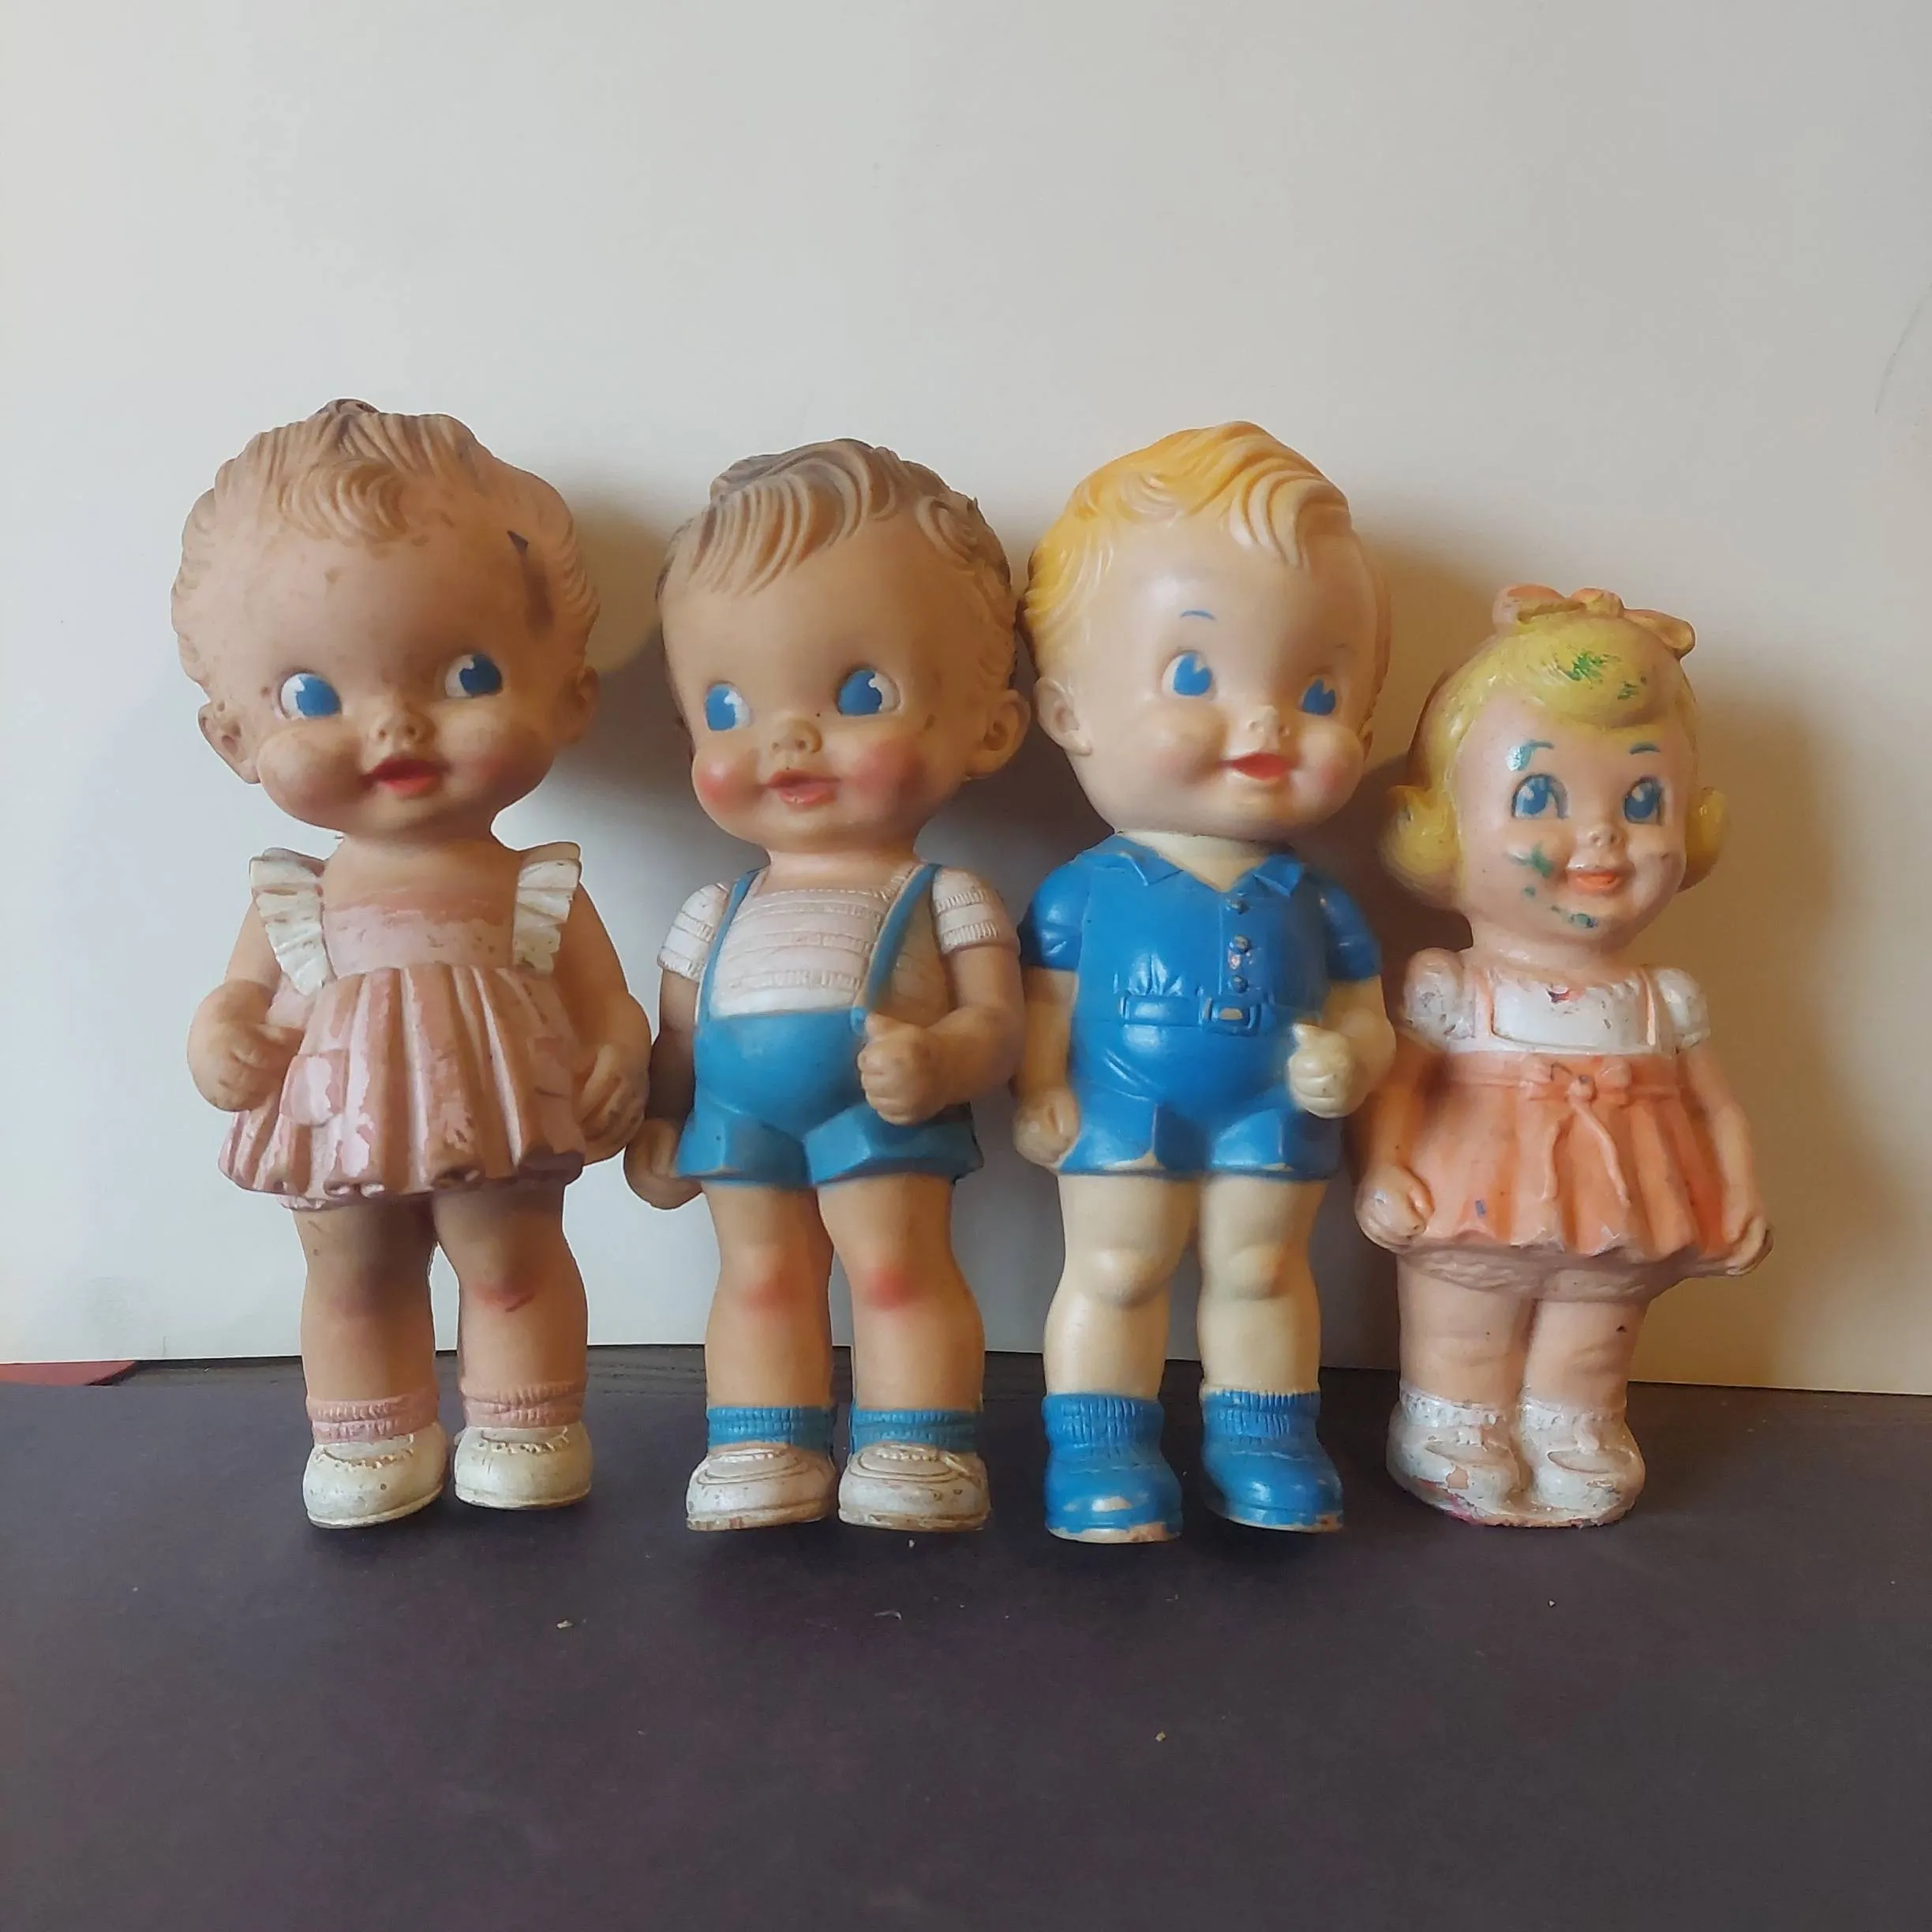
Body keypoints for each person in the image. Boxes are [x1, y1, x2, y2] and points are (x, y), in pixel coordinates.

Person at [179, 400, 650, 1528]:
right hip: (331, 1109)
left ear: (568, 695)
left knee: (513, 1258)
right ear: (236, 738)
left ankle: (526, 1420)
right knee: (351, 1270)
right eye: (314, 697)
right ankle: (367, 1432)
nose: (394, 726)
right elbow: (239, 994)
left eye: (469, 676)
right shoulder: (294, 891)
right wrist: (221, 1034)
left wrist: (619, 1051)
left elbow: (607, 999)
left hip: (499, 1106)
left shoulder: (535, 883)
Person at [627, 440, 1028, 1533]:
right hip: (736, 1116)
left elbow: (999, 1023)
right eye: (727, 706)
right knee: (759, 1275)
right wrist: (659, 1120)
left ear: (990, 725)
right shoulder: (712, 912)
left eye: (860, 694)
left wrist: (941, 1059)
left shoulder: (944, 896)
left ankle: (917, 1441)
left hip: (877, 1108)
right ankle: (763, 1437)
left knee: (896, 1269)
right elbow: (678, 1037)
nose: (788, 736)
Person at [1013, 424, 1395, 1541]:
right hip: (1123, 1099)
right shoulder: (1087, 889)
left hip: (1272, 1106)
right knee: (1118, 1263)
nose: (1267, 720)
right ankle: (1103, 1445)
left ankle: (1265, 1436)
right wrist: (1039, 1084)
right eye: (1195, 675)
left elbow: (1368, 1014)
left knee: (1265, 1266)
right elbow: (1044, 1002)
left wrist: (1351, 1060)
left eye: (1319, 691)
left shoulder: (1317, 900)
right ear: (1069, 712)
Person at [1359, 586, 1769, 1526]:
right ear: (1444, 827)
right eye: (1538, 797)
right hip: (1469, 1202)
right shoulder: (1451, 985)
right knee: (1466, 1327)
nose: (1600, 835)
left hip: (1625, 1208)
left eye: (1643, 800)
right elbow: (1399, 1089)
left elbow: (1716, 1107)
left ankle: (1575, 1426)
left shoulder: (1664, 999)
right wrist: (1382, 1167)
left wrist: (1740, 1193)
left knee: (1592, 1335)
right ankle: (1455, 1424)